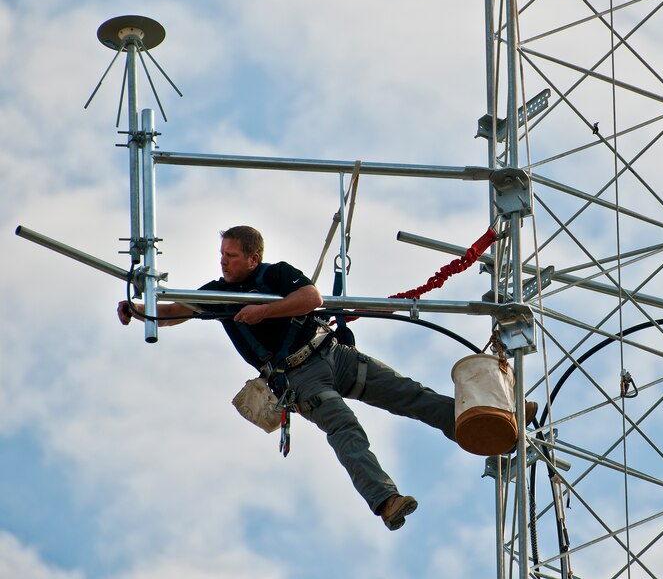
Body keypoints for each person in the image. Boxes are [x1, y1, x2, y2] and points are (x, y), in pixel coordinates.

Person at [117, 225, 456, 531]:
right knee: (344, 426)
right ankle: (386, 501)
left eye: (231, 256)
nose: (223, 262)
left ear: (254, 258)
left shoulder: (276, 275)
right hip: (299, 378)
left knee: (408, 393)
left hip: (333, 354)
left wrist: (262, 311)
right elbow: (176, 311)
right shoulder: (219, 294)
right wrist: (138, 309)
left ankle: (473, 424)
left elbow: (311, 299)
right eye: (222, 255)